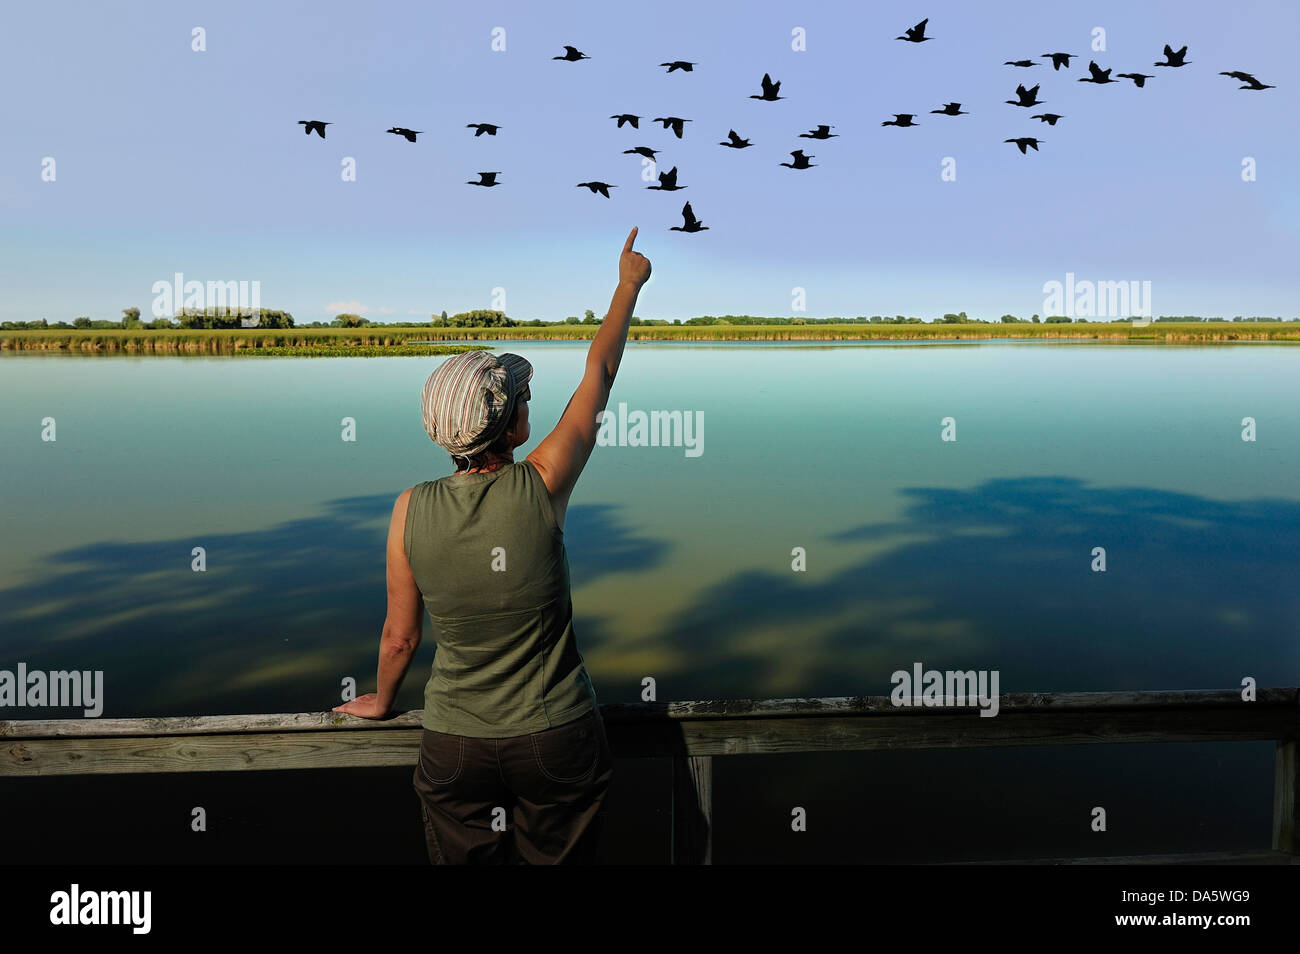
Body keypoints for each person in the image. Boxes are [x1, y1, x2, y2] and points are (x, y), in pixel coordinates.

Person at [334, 226, 652, 864]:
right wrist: (627, 286)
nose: (529, 400)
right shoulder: (542, 485)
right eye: (523, 397)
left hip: (456, 743)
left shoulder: (408, 510)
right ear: (511, 423)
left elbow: (400, 637)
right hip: (557, 734)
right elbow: (602, 371)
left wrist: (384, 701)